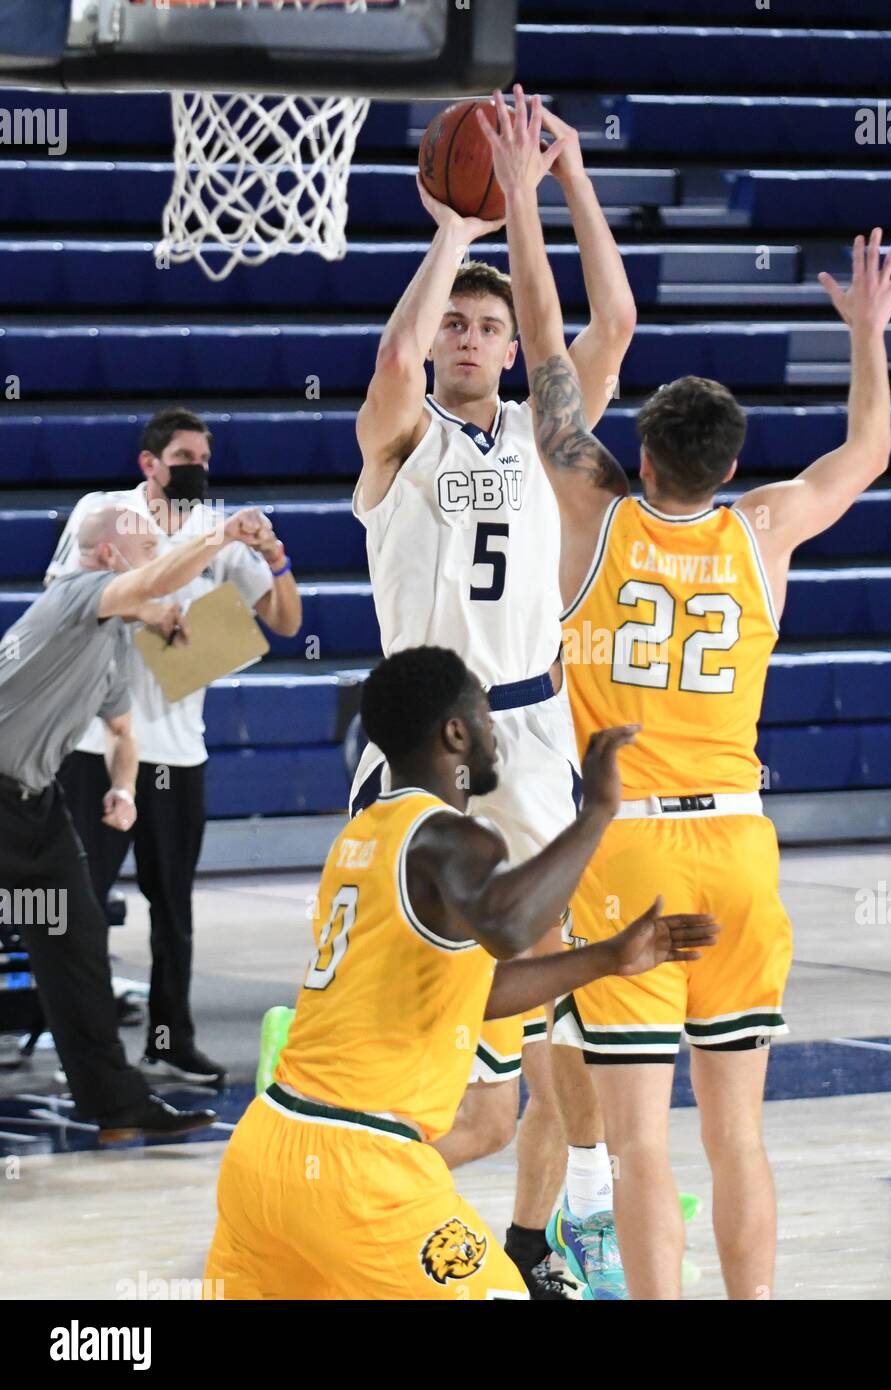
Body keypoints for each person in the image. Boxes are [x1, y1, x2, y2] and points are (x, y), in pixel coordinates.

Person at [480, 84, 891, 1298]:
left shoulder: (595, 512)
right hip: (741, 846)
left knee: (641, 1141)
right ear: (726, 467)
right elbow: (868, 452)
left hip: (631, 856)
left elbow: (556, 368)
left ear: (647, 455)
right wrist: (865, 329)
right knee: (738, 1132)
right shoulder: (764, 530)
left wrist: (533, 188)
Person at [348, 116, 636, 1297]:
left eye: (487, 326)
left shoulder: (541, 438)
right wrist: (454, 232)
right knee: (414, 991)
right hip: (421, 748)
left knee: (557, 994)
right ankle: (359, 1178)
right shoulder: (399, 440)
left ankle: (552, 1234)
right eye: (454, 325)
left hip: (531, 736)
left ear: (515, 351)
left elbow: (611, 326)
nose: (466, 338)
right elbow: (390, 368)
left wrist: (564, 177)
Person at [203, 646, 717, 1300]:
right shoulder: (455, 839)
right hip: (362, 1167)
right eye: (485, 712)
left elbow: (471, 993)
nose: (496, 730)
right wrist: (595, 815)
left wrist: (610, 957)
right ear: (456, 732)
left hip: (266, 1147)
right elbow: (507, 927)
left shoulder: (362, 837)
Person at [45, 407, 302, 1087]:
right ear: (149, 463)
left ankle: (171, 1039)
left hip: (181, 747)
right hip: (97, 741)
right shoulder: (105, 513)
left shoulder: (221, 530)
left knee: (174, 910)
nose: (197, 467)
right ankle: (91, 1052)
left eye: (204, 458)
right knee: (85, 906)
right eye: (184, 456)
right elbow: (62, 591)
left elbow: (285, 620)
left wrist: (276, 559)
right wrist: (146, 610)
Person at [0, 501, 267, 1141]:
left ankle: (116, 1107)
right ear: (108, 555)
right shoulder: (76, 594)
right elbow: (152, 583)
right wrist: (221, 534)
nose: (156, 555)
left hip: (34, 807)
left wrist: (124, 789)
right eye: (146, 545)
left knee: (75, 943)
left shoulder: (113, 638)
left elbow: (122, 731)